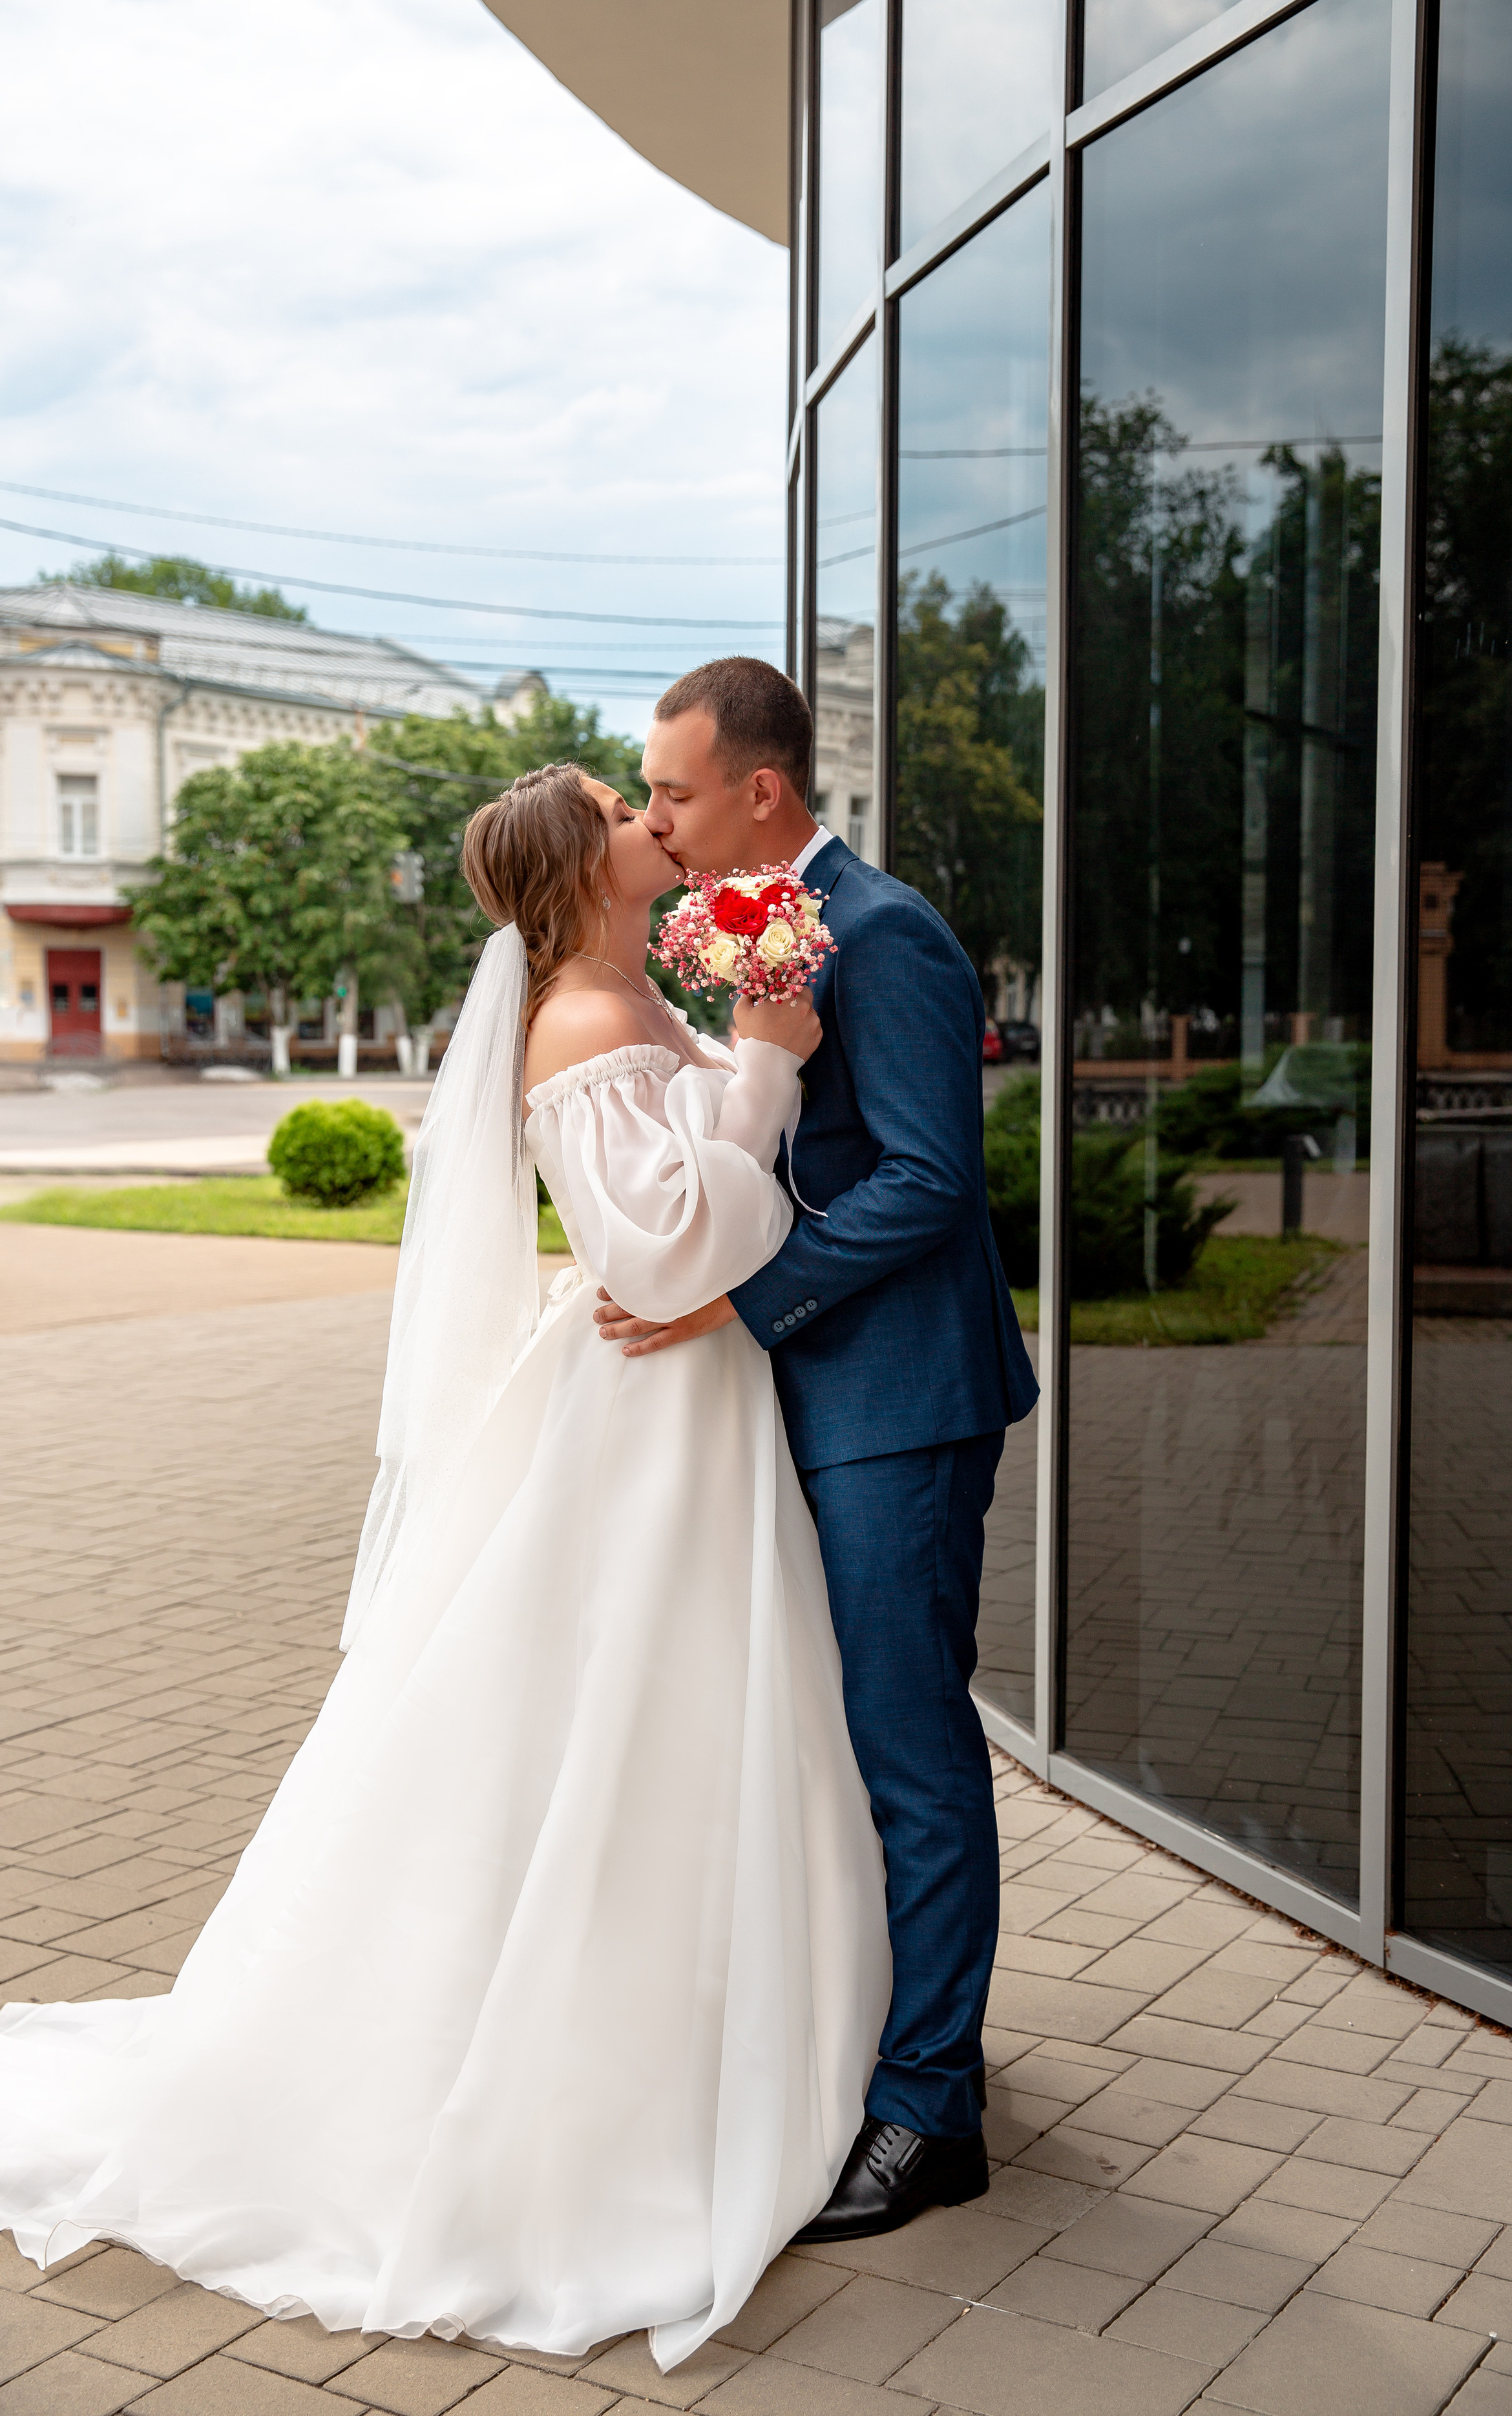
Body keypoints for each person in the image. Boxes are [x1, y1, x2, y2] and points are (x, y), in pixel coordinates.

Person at [0, 765, 890, 2372]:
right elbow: (665, 1254)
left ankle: (713, 2039)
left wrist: (744, 1047)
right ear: (586, 864)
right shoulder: (582, 1024)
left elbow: (686, 1204)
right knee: (620, 1728)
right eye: (621, 801)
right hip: (643, 1424)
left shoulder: (633, 988)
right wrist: (771, 1072)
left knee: (678, 1729)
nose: (655, 814)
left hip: (684, 1414)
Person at [596, 655, 1038, 2243]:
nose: (657, 817)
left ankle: (932, 2114)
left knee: (910, 1755)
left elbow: (927, 1181)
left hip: (899, 1407)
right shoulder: (768, 923)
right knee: (850, 1747)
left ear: (760, 791)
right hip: (820, 1401)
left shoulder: (888, 931)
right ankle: (905, 2038)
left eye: (673, 790)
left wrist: (736, 1302)